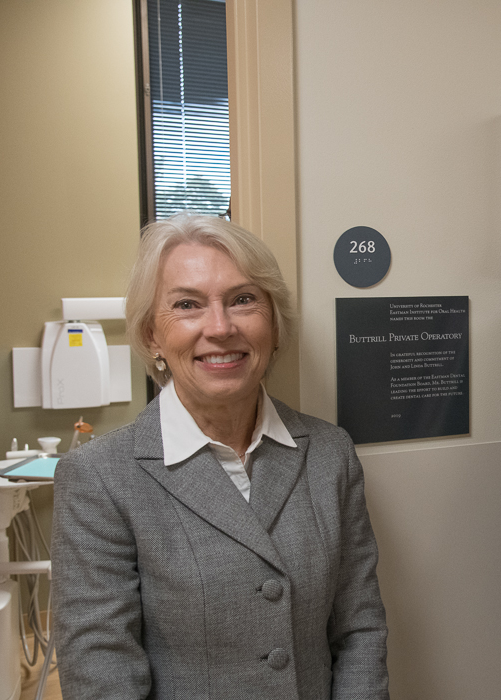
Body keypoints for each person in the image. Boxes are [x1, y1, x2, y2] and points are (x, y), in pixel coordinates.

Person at [52, 214, 389, 699]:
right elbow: (101, 672)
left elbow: (360, 630)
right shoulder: (99, 478)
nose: (220, 327)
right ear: (152, 335)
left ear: (272, 324)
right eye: (187, 305)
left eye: (243, 300)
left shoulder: (330, 453)